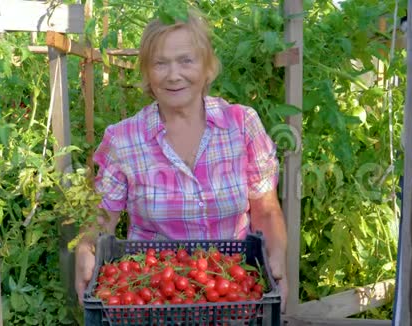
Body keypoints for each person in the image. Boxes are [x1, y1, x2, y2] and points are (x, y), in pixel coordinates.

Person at [75, 8, 288, 310]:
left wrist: (276, 261)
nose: (174, 75)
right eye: (160, 63)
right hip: (153, 296)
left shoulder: (241, 125)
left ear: (206, 67)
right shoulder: (123, 140)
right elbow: (101, 218)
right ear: (147, 72)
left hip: (231, 291)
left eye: (186, 60)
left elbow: (265, 209)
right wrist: (85, 250)